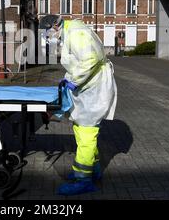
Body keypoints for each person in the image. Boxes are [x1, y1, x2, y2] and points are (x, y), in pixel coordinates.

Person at [48, 16, 117, 196]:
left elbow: (90, 59)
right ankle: (92, 168)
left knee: (86, 131)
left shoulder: (76, 33)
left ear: (56, 26)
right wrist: (70, 78)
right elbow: (80, 60)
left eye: (49, 32)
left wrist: (74, 80)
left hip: (93, 88)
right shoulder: (72, 30)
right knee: (80, 126)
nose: (50, 37)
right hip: (89, 85)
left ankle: (83, 180)